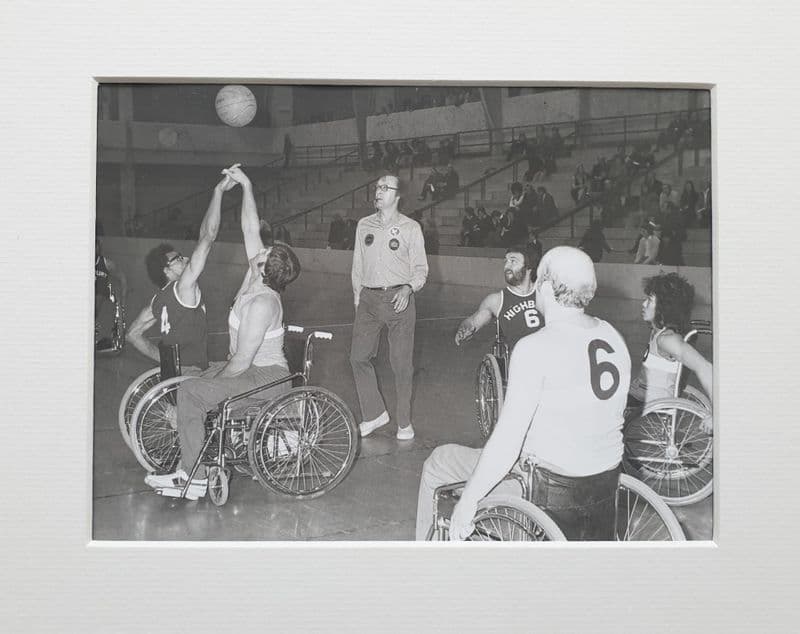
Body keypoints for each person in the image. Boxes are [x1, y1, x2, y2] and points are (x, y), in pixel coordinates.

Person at [416, 246, 632, 540]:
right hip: (605, 485)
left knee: (438, 463)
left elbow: (507, 442)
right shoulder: (611, 336)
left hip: (549, 487)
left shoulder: (535, 348)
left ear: (543, 286)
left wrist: (468, 501)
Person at [144, 165, 301, 500]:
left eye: (265, 252)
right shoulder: (257, 275)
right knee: (192, 385)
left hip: (265, 377)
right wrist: (245, 185)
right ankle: (194, 460)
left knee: (194, 392)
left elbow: (242, 363)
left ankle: (195, 477)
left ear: (264, 266)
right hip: (250, 369)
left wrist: (213, 382)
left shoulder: (263, 303)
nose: (260, 247)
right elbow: (249, 227)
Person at [127, 170, 235, 369]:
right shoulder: (184, 287)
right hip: (192, 377)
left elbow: (132, 334)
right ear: (166, 271)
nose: (185, 258)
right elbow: (207, 237)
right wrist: (218, 191)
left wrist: (167, 362)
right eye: (178, 259)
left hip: (172, 377)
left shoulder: (157, 300)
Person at [350, 174, 429, 441]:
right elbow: (357, 266)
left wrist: (409, 288)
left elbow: (420, 269)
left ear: (397, 196)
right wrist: (357, 299)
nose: (378, 191)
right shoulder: (363, 225)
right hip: (369, 300)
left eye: (385, 188)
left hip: (400, 299)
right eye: (377, 186)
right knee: (357, 358)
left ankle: (404, 422)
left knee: (401, 365)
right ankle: (374, 414)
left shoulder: (410, 228)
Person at [627, 273, 712, 428]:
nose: (643, 304)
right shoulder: (659, 332)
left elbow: (705, 367)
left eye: (649, 300)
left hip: (645, 398)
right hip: (640, 392)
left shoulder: (667, 339)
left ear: (664, 307)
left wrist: (718, 414)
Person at [454, 244, 544, 352]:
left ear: (529, 267)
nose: (506, 266)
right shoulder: (496, 301)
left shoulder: (545, 293)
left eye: (513, 261)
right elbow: (473, 322)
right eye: (505, 261)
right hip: (521, 361)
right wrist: (464, 329)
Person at [95, 238, 128, 350]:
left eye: (95, 246)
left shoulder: (106, 263)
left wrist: (122, 299)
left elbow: (122, 278)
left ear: (98, 248)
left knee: (100, 295)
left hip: (102, 299)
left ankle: (105, 339)